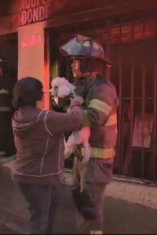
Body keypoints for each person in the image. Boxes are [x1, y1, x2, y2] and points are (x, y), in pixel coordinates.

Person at [59, 34, 119, 234]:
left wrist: (72, 111)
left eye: (76, 62)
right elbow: (74, 108)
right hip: (83, 158)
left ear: (88, 64)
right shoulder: (86, 86)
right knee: (81, 200)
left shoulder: (103, 88)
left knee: (89, 208)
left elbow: (94, 116)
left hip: (95, 160)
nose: (73, 66)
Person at [11, 77, 84, 234]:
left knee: (42, 214)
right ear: (36, 95)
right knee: (41, 220)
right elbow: (76, 119)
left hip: (24, 174)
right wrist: (76, 102)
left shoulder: (18, 115)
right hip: (41, 177)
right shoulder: (44, 119)